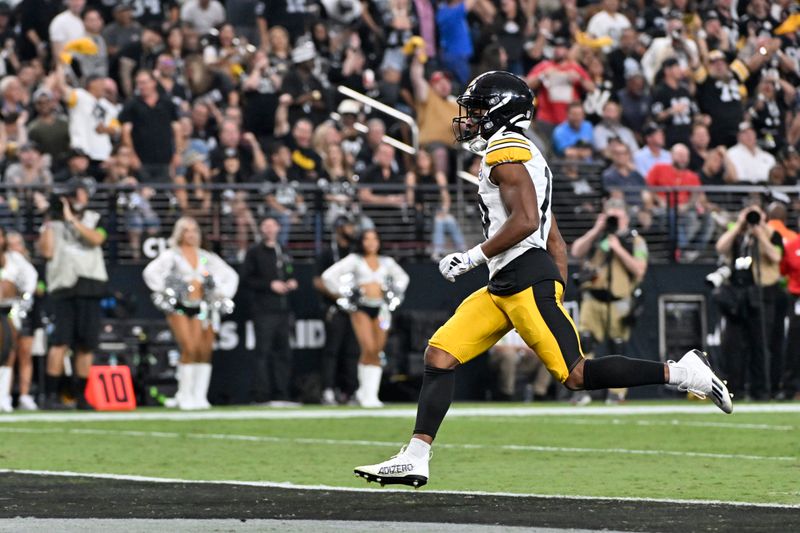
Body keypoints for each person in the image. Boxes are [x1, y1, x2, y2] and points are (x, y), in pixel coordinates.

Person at [354, 71, 731, 488]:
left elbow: (528, 220)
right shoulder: (524, 154)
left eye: (477, 111)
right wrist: (554, 283)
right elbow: (554, 236)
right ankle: (416, 456)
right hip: (510, 282)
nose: (469, 119)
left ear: (499, 113)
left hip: (521, 279)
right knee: (440, 355)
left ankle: (684, 373)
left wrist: (472, 257)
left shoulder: (505, 151)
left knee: (575, 374)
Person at [143, 217, 239, 410]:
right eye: (187, 230)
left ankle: (199, 396)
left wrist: (220, 293)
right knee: (188, 347)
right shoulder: (172, 255)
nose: (192, 234)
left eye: (195, 230)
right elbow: (150, 273)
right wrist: (169, 290)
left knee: (203, 350)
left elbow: (230, 275)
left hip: (201, 308)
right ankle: (184, 395)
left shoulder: (204, 257)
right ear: (179, 233)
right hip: (179, 307)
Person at [570, 199, 648, 404]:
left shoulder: (635, 241)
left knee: (617, 348)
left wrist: (619, 248)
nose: (614, 221)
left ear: (626, 218)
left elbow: (640, 270)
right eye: (611, 216)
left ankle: (617, 393)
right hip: (593, 299)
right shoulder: (597, 238)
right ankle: (582, 389)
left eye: (618, 217)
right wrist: (597, 229)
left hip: (619, 301)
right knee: (584, 342)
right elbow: (576, 251)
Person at [38, 178, 107, 410]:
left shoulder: (95, 218)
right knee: (60, 342)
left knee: (86, 345)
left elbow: (96, 239)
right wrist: (49, 219)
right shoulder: (52, 224)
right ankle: (50, 396)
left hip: (90, 285)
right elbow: (46, 252)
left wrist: (72, 220)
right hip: (63, 288)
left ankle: (82, 396)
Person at [322, 229, 409, 408]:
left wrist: (392, 291)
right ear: (361, 242)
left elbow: (403, 278)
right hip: (361, 308)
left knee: (377, 349)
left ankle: (370, 394)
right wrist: (344, 294)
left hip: (381, 309)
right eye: (366, 239)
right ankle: (364, 392)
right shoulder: (354, 260)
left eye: (374, 239)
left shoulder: (387, 262)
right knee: (368, 347)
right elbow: (328, 276)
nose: (370, 242)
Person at [714, 204, 783, 401]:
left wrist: (760, 233)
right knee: (733, 344)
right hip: (737, 293)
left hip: (762, 293)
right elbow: (721, 247)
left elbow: (776, 256)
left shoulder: (772, 234)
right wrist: (738, 225)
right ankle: (735, 388)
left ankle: (760, 389)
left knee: (760, 343)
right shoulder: (736, 232)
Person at [240, 218, 299, 406]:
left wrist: (291, 281)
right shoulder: (254, 252)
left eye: (272, 226)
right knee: (262, 353)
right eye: (265, 226)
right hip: (263, 310)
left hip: (283, 310)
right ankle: (261, 395)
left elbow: (290, 271)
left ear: (279, 228)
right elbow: (246, 279)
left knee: (284, 353)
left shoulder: (284, 250)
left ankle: (282, 394)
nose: (269, 229)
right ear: (261, 229)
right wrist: (269, 285)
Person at [313, 216, 360, 405]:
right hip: (335, 307)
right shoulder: (327, 253)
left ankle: (351, 391)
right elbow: (318, 281)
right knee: (332, 350)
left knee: (352, 351)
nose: (352, 229)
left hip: (355, 308)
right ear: (339, 228)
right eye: (348, 226)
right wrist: (340, 297)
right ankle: (328, 390)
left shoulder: (356, 252)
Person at [0, 227, 38, 412]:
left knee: (14, 350)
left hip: (12, 310)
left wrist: (24, 298)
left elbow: (31, 278)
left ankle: (11, 396)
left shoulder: (15, 259)